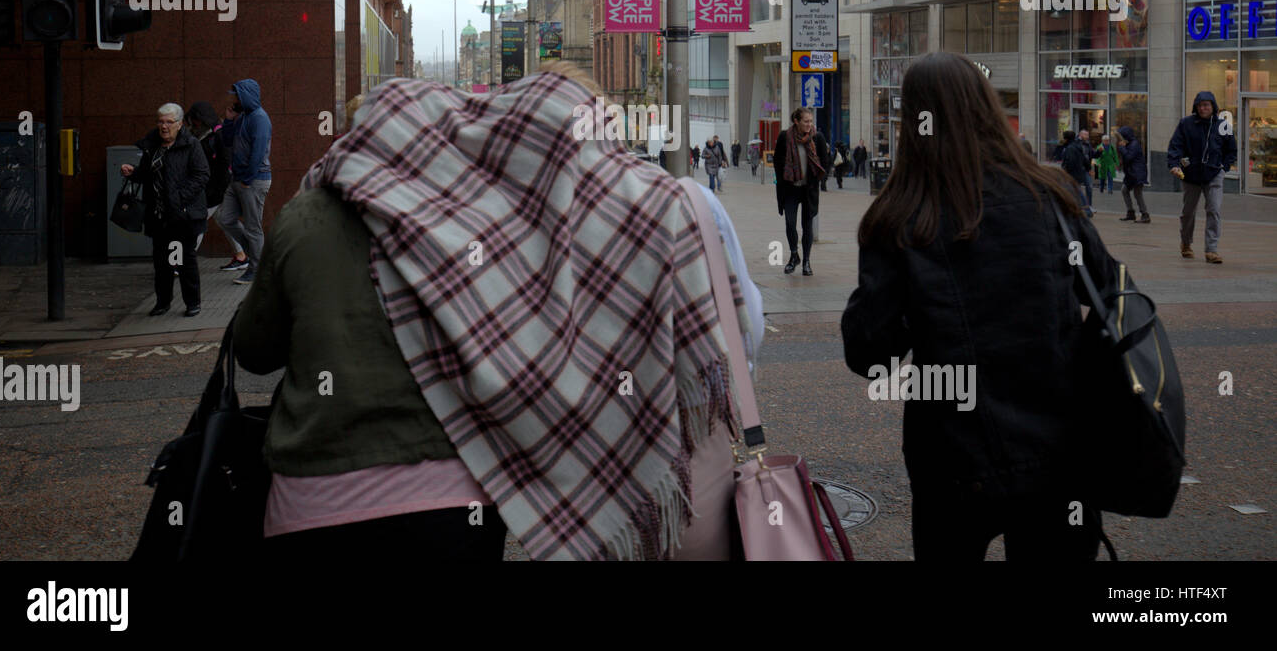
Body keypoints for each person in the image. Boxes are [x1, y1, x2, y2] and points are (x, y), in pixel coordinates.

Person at [232, 63, 763, 561]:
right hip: (452, 502)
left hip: (309, 504)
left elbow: (254, 350)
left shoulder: (307, 215)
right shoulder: (471, 219)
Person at [841, 52, 1117, 561]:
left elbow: (867, 352)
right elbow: (1111, 292)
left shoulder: (901, 217)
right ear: (987, 111)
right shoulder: (1050, 198)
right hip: (1057, 450)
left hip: (952, 454)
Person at [120, 103, 210, 319]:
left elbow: (202, 175)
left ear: (179, 124)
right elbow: (146, 174)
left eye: (169, 122)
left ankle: (192, 303)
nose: (164, 126)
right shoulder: (152, 145)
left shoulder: (191, 145)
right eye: (160, 121)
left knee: (182, 259)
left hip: (181, 215)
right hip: (158, 215)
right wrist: (133, 173)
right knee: (162, 262)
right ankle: (162, 302)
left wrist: (178, 199)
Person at [1167, 91, 1237, 263]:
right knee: (1188, 213)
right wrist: (1174, 164)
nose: (1203, 108)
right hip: (1191, 175)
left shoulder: (1223, 125)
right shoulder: (1186, 124)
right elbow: (1175, 145)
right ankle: (1186, 243)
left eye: (1206, 105)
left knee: (1214, 209)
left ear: (1213, 106)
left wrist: (1224, 167)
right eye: (1200, 105)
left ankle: (1211, 250)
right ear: (1195, 107)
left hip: (1214, 174)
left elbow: (1231, 149)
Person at [218, 79, 272, 285]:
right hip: (239, 179)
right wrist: (229, 120)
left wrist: (248, 179)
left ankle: (256, 269)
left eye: (238, 95)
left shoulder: (259, 118)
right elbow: (227, 141)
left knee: (253, 226)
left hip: (253, 180)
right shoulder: (242, 117)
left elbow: (258, 151)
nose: (235, 99)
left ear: (247, 96)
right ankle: (257, 257)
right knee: (225, 218)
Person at [773, 108, 830, 277]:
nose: (809, 124)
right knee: (790, 223)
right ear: (796, 121)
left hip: (808, 190)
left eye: (810, 121)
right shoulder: (785, 137)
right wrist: (783, 179)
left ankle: (806, 261)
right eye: (805, 121)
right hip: (790, 188)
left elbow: (824, 162)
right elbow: (777, 161)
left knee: (807, 226)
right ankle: (793, 255)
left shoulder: (817, 138)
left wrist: (818, 180)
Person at [185, 101, 243, 261]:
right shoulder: (207, 133)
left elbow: (224, 164)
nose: (193, 124)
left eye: (194, 120)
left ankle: (183, 260)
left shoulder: (218, 135)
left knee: (198, 220)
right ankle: (243, 255)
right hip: (215, 186)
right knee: (226, 220)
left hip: (217, 187)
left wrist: (218, 189)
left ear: (202, 119)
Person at [1117, 126, 1150, 223]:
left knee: (1137, 193)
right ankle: (1130, 212)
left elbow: (1128, 157)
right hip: (1131, 173)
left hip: (1137, 173)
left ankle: (1145, 214)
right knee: (1124, 190)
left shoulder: (1134, 144)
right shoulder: (1129, 144)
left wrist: (1122, 148)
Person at [1059, 130, 1093, 217]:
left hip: (1072, 173)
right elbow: (1084, 158)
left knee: (1075, 190)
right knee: (1076, 190)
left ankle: (1086, 210)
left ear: (1066, 138)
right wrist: (1088, 167)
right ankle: (1079, 209)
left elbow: (1070, 161)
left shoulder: (1070, 148)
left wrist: (1065, 170)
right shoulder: (1076, 146)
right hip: (1078, 172)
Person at [1077, 129, 1095, 210]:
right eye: (1086, 135)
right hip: (1079, 169)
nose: (1087, 137)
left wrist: (1099, 152)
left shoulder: (1088, 144)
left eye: (1088, 135)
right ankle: (1080, 205)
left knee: (1089, 187)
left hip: (1086, 169)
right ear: (1080, 135)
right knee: (1077, 188)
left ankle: (1089, 206)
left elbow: (1093, 154)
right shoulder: (1076, 143)